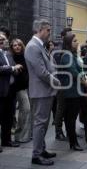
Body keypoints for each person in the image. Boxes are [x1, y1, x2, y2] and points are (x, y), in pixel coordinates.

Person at [24, 19, 61, 166]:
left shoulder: (39, 46)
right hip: (41, 91)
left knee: (44, 123)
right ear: (40, 30)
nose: (49, 34)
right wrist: (56, 81)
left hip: (45, 91)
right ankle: (36, 155)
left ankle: (42, 149)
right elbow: (41, 72)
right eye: (48, 31)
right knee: (40, 124)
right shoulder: (33, 46)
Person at [60, 32, 87, 151]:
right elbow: (73, 72)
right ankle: (73, 143)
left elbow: (80, 69)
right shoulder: (67, 55)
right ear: (68, 43)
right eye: (74, 41)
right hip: (72, 91)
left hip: (78, 90)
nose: (77, 42)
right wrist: (85, 81)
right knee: (71, 118)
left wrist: (85, 78)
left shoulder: (73, 54)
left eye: (77, 40)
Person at [0, 33, 23, 153]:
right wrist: (13, 68)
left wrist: (16, 69)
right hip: (1, 91)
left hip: (11, 90)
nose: (2, 41)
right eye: (0, 39)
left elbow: (15, 67)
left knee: (8, 117)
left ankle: (6, 140)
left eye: (3, 39)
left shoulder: (8, 54)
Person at [10, 39, 32, 143]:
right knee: (26, 109)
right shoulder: (11, 57)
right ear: (12, 47)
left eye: (19, 45)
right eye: (15, 45)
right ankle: (21, 136)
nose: (17, 47)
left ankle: (21, 136)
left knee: (24, 111)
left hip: (26, 87)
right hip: (17, 88)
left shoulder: (25, 56)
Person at [53, 28, 72, 141]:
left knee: (69, 108)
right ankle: (58, 131)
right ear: (63, 37)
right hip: (61, 83)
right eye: (69, 35)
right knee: (61, 108)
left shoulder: (70, 49)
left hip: (70, 83)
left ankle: (69, 130)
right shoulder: (58, 50)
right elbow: (57, 68)